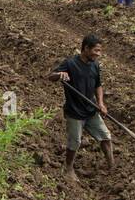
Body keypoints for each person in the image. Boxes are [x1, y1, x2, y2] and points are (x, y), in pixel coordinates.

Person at [48, 33, 114, 180]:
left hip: (90, 110)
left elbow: (98, 85)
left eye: (100, 51)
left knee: (105, 136)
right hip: (74, 111)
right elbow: (50, 76)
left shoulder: (95, 65)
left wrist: (101, 103)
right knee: (75, 142)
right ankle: (69, 168)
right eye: (96, 50)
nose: (98, 54)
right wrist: (59, 75)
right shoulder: (71, 63)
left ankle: (112, 166)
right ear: (85, 48)